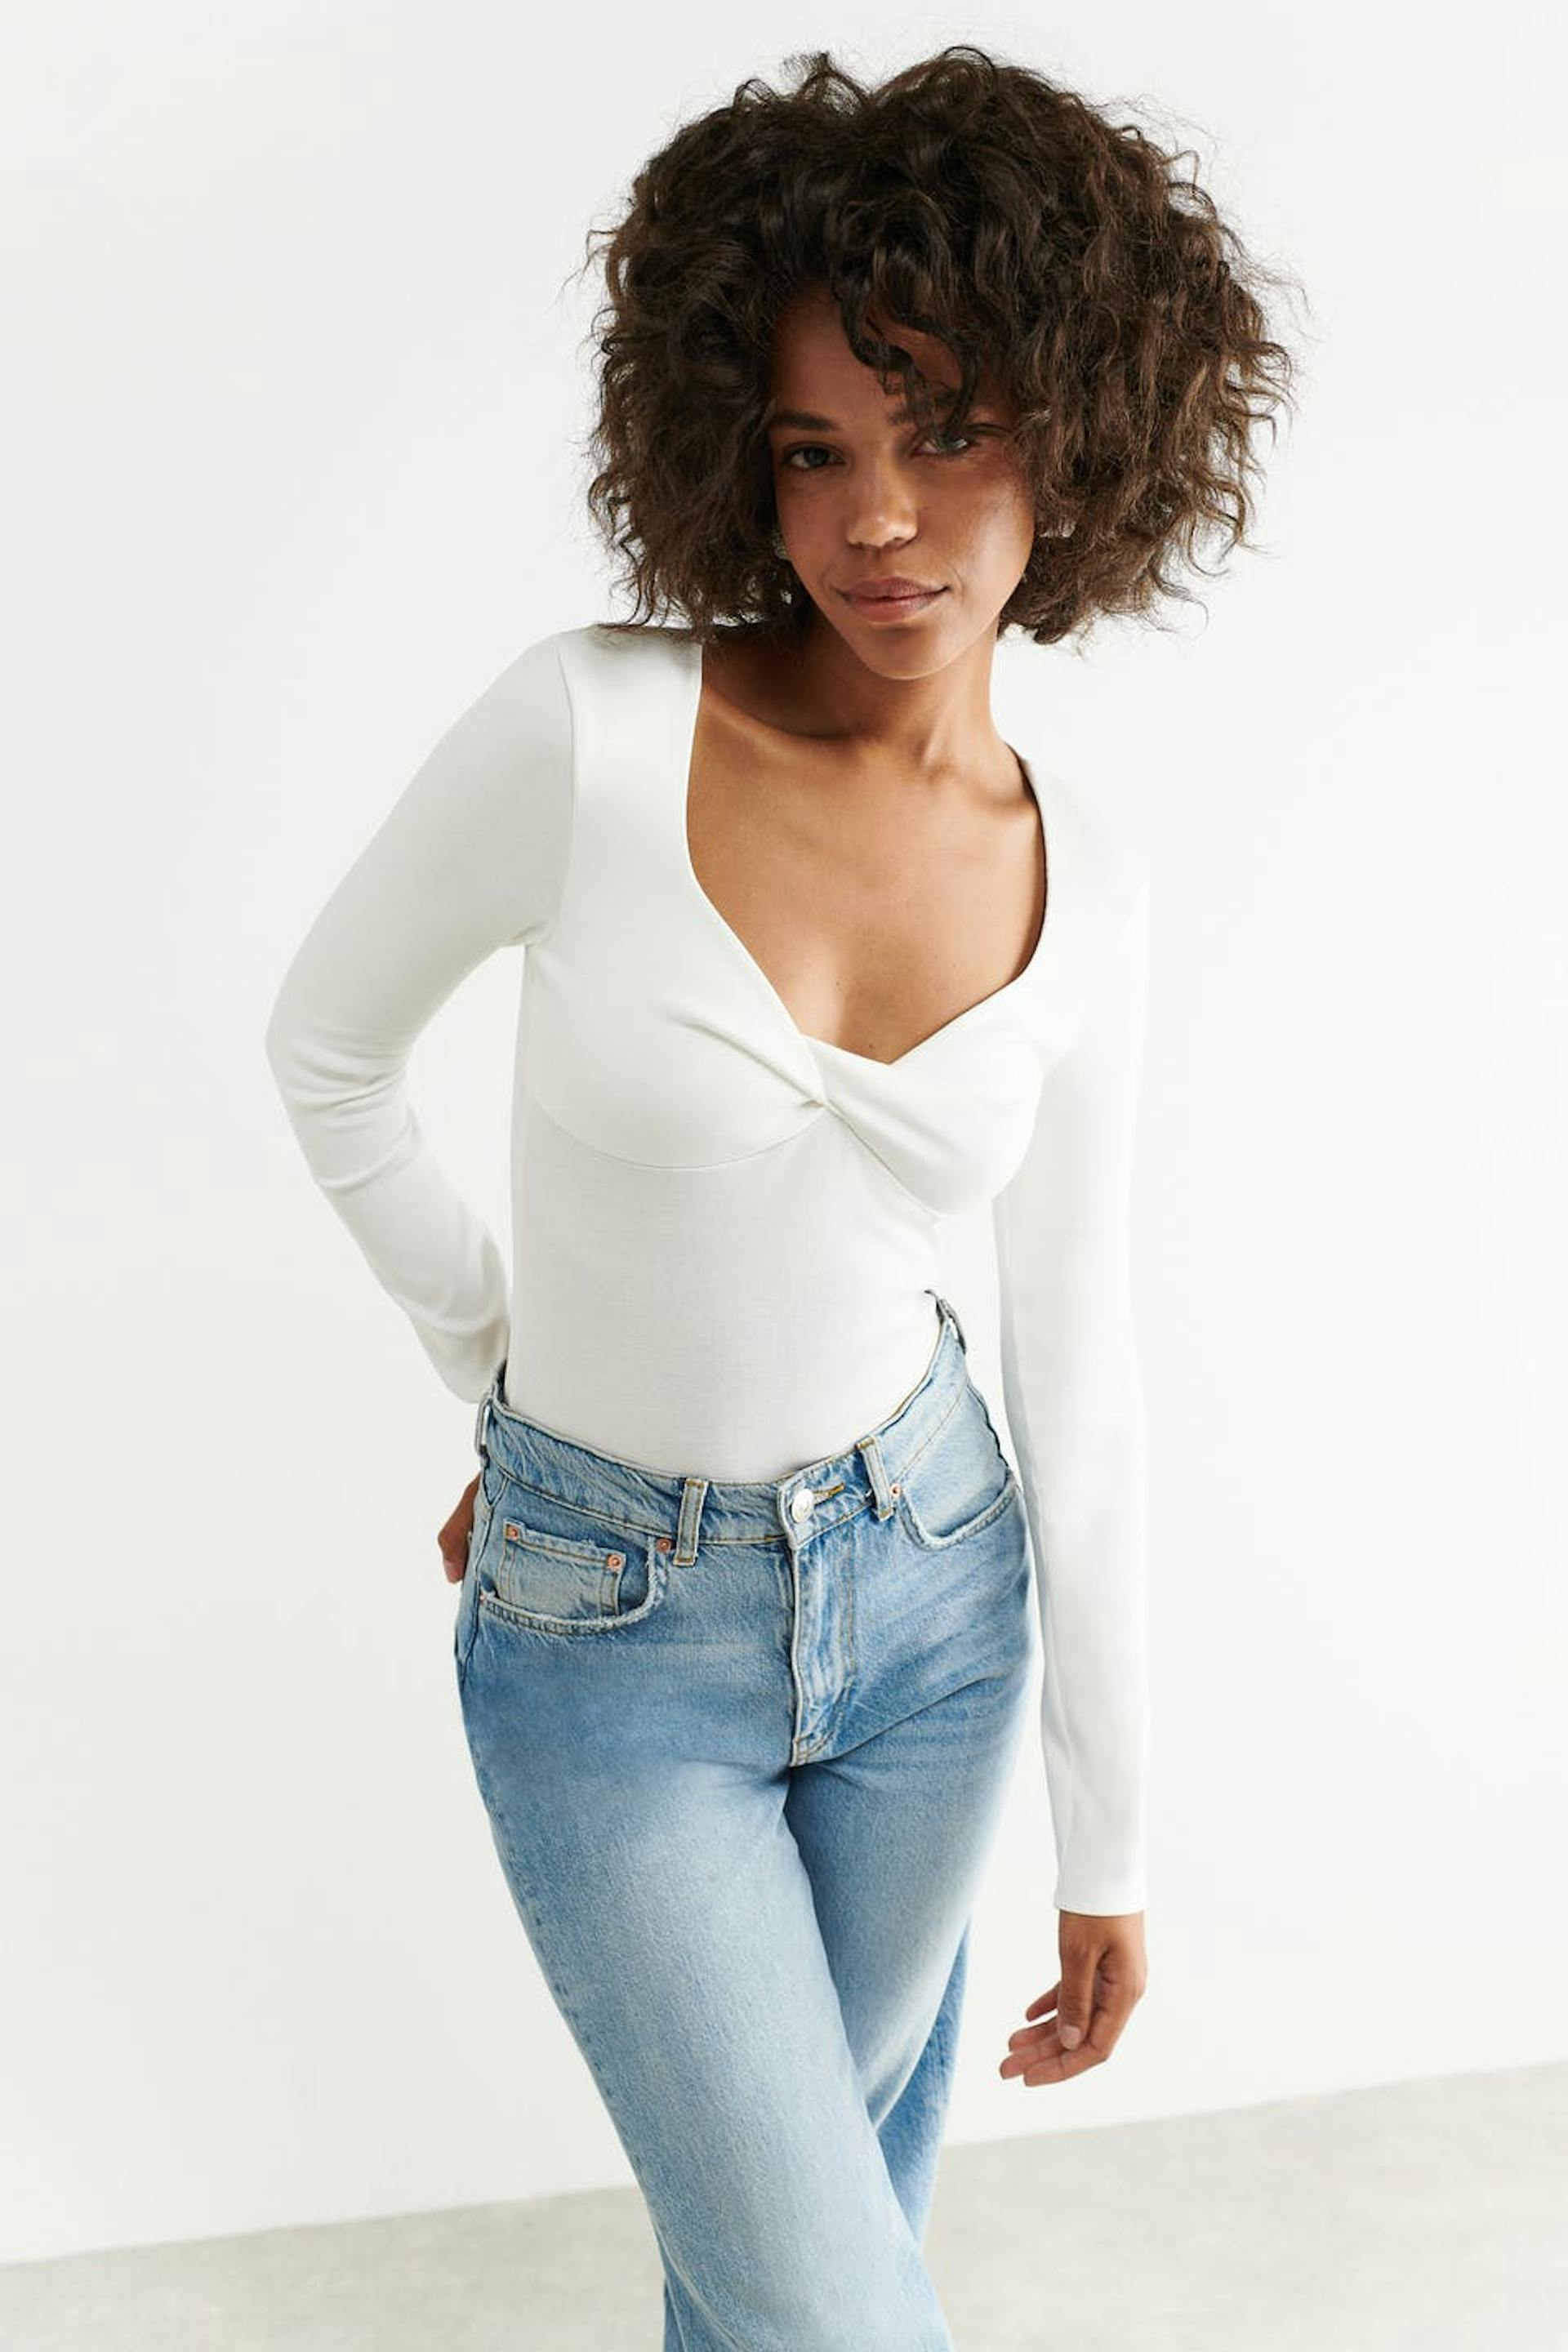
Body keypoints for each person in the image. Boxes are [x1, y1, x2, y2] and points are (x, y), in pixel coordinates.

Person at [263, 44, 1298, 2351]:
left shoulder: (1090, 884)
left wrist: (1111, 1838)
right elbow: (327, 1053)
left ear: (1080, 434)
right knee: (827, 2306)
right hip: (609, 1639)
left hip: (935, 1602)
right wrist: (504, 1379)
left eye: (947, 432)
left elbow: (1079, 1370)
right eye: (817, 448)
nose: (879, 520)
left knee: (771, 2291)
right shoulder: (593, 734)